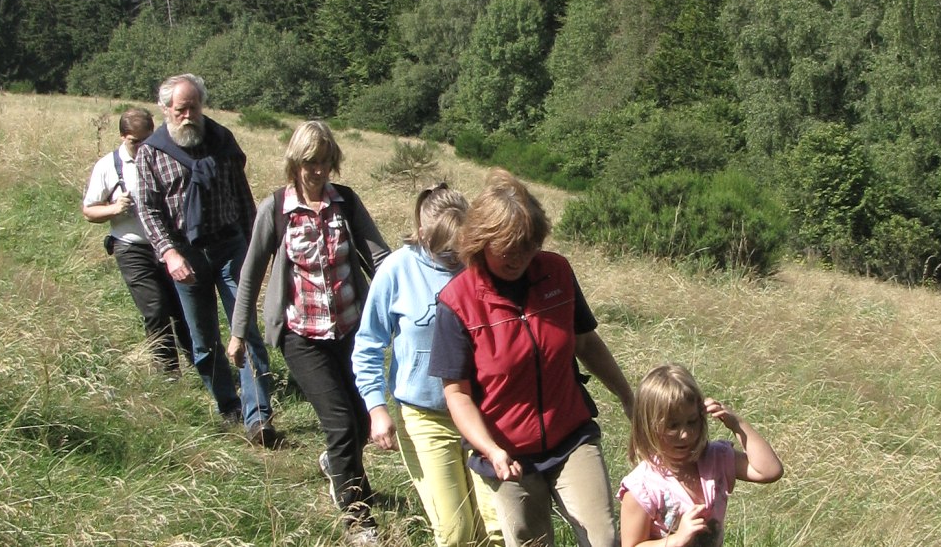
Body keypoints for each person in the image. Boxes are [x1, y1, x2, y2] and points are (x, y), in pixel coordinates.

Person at [429, 169, 636, 547]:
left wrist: (627, 396)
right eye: (506, 247)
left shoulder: (556, 273)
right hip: (507, 453)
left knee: (604, 538)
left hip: (570, 436)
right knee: (529, 541)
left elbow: (586, 344)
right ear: (480, 241)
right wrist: (491, 449)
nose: (519, 257)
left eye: (528, 245)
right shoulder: (457, 302)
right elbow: (456, 394)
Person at [230, 120, 390, 546]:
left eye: (324, 162)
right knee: (340, 423)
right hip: (301, 335)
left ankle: (337, 465)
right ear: (294, 163)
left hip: (351, 331)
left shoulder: (347, 204)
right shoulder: (275, 210)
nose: (317, 171)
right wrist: (237, 333)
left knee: (360, 417)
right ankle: (358, 518)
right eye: (309, 163)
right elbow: (250, 273)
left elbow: (379, 256)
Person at [352, 183, 503, 547]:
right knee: (456, 533)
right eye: (447, 252)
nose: (456, 259)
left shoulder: (479, 268)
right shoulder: (396, 271)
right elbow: (368, 343)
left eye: (462, 249)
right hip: (425, 416)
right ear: (423, 235)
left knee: (498, 528)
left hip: (480, 413)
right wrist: (376, 408)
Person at [133, 73, 274, 444]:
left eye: (194, 107)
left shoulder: (222, 140)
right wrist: (169, 253)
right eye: (181, 109)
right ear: (165, 110)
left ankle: (258, 417)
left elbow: (243, 197)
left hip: (230, 247)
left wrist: (255, 249)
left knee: (246, 331)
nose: (189, 116)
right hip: (186, 255)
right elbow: (148, 210)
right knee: (203, 341)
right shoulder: (152, 152)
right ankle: (228, 404)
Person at [618, 365, 784, 547]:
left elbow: (770, 471)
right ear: (648, 426)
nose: (685, 434)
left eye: (692, 421)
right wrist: (676, 540)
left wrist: (737, 424)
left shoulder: (715, 459)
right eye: (672, 426)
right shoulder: (643, 486)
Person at [80, 107, 192, 375]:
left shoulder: (164, 158)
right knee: (155, 309)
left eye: (147, 139)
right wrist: (114, 209)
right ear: (122, 137)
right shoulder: (108, 166)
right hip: (132, 248)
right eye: (135, 141)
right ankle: (169, 375)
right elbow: (89, 210)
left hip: (170, 247)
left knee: (185, 309)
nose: (142, 146)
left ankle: (205, 367)